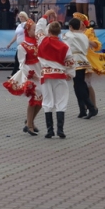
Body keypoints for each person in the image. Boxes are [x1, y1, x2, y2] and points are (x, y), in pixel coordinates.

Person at [36, 10, 75, 139]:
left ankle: (49, 130)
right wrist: (70, 74)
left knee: (47, 101)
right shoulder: (64, 45)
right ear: (59, 31)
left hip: (46, 76)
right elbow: (70, 61)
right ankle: (60, 130)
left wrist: (45, 16)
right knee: (61, 101)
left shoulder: (43, 41)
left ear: (49, 31)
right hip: (59, 75)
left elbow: (38, 29)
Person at [3, 19, 42, 135]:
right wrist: (30, 74)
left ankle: (29, 121)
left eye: (36, 29)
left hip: (40, 73)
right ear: (28, 31)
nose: (36, 31)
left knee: (41, 100)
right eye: (34, 29)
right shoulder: (22, 46)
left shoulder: (38, 43)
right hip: (31, 74)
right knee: (34, 99)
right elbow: (22, 63)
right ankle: (29, 125)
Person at [62, 18, 98, 119]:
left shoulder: (68, 35)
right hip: (83, 60)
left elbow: (64, 44)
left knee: (79, 85)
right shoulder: (84, 36)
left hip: (75, 61)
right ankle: (83, 109)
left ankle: (91, 108)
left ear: (71, 27)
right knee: (79, 85)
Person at [7, 12, 29, 77]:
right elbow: (16, 36)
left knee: (18, 59)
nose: (21, 18)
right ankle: (18, 73)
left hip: (25, 45)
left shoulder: (27, 24)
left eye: (22, 16)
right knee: (18, 59)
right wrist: (10, 43)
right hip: (19, 45)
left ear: (25, 17)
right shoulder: (19, 25)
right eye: (20, 17)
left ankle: (14, 74)